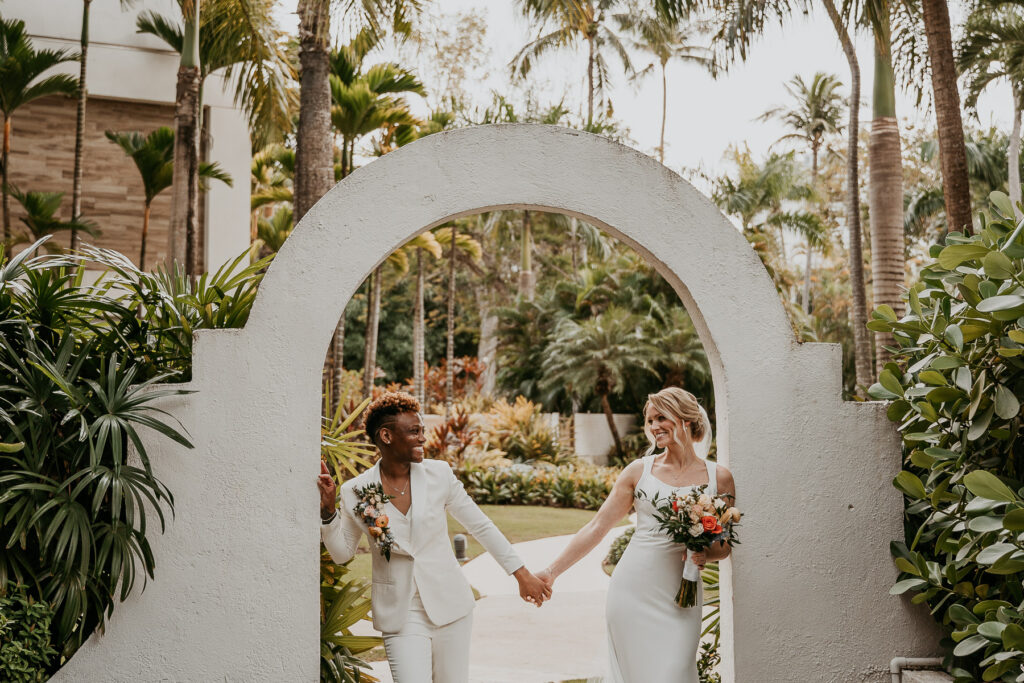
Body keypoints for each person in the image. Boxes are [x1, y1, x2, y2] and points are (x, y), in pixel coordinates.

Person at [318, 391, 550, 683]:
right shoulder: (358, 490)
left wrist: (521, 573)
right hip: (401, 614)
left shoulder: (439, 475)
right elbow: (342, 554)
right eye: (414, 431)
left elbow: (481, 525)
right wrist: (328, 513)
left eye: (422, 430)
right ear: (386, 436)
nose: (423, 438)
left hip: (451, 607)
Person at [538, 387, 736, 683]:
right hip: (633, 590)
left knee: (676, 672)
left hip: (683, 594)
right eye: (650, 420)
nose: (654, 426)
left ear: (685, 419)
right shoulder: (638, 472)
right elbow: (596, 527)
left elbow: (724, 548)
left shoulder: (719, 477)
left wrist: (702, 550)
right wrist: (551, 572)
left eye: (661, 417)